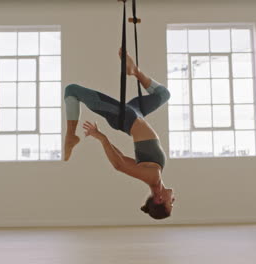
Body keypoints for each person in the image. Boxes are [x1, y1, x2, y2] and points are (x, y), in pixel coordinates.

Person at [63, 49, 175, 220]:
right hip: (135, 113)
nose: (174, 200)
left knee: (72, 90)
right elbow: (121, 157)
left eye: (170, 203)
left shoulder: (152, 177)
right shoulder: (154, 176)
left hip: (124, 117)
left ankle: (71, 136)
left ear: (160, 199)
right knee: (163, 94)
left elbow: (119, 165)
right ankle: (135, 71)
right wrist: (101, 136)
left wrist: (101, 137)